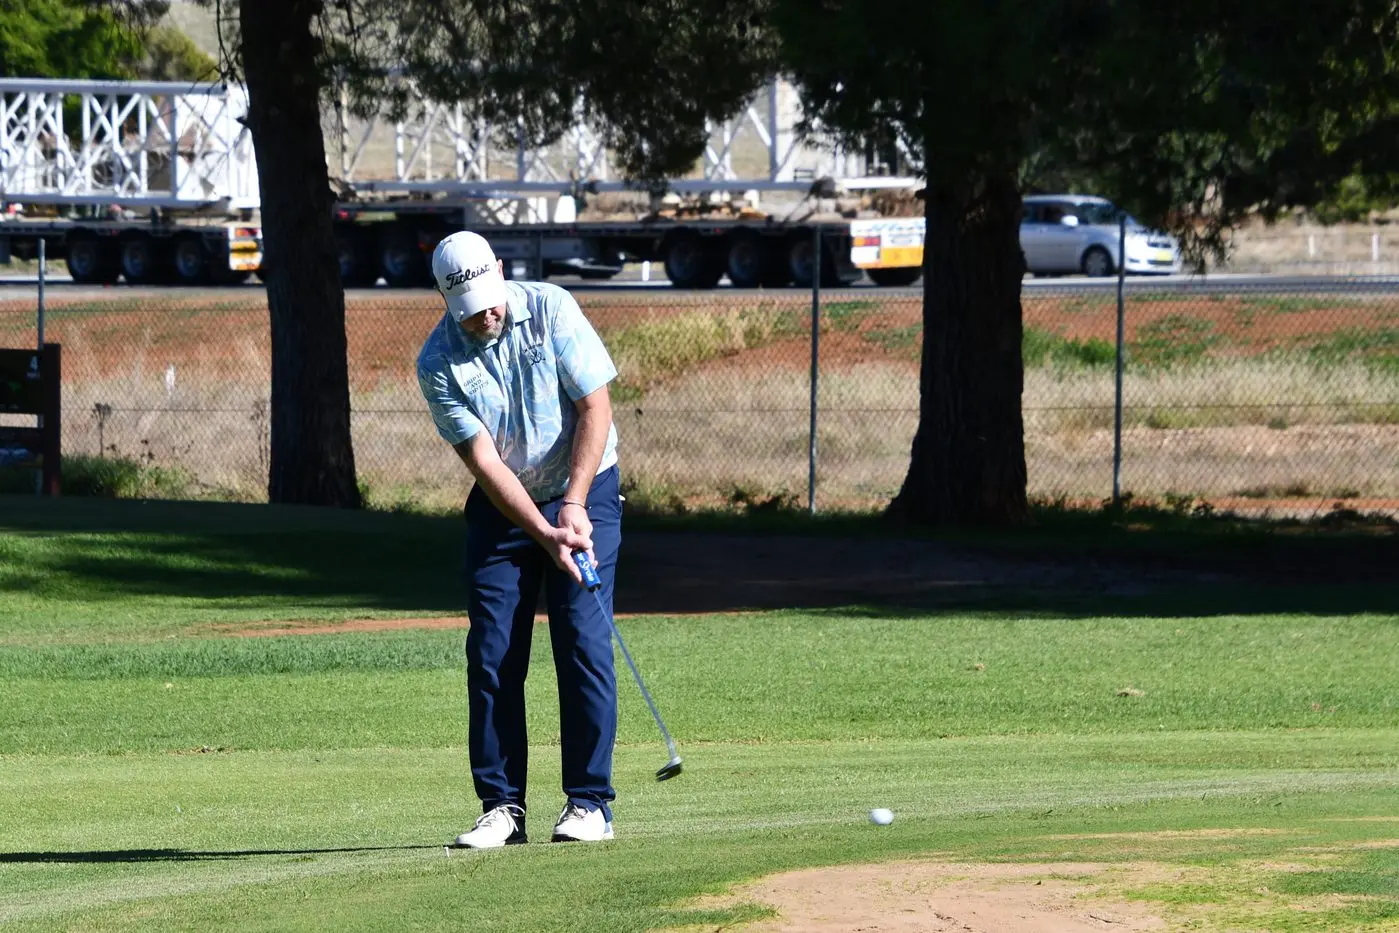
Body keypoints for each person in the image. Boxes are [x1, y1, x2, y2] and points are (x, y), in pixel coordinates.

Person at [416, 230, 623, 848]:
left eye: (490, 296)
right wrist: (540, 530)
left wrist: (576, 506)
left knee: (581, 640)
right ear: (447, 300)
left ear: (500, 272)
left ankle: (589, 804)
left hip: (586, 488)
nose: (486, 313)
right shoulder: (437, 362)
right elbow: (485, 463)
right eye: (470, 307)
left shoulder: (553, 307)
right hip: (506, 504)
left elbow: (596, 407)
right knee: (494, 649)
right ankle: (502, 807)